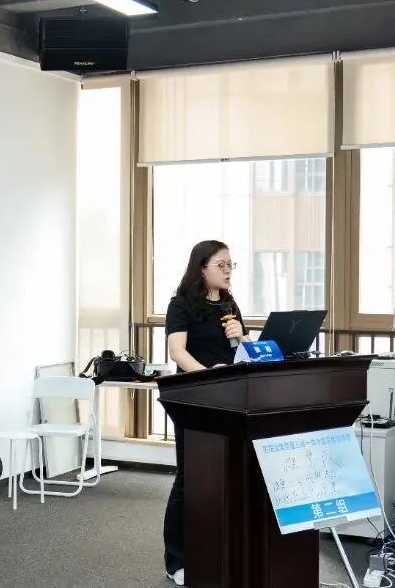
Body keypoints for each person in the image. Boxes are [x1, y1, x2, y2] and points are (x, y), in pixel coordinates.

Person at [161, 239, 250, 586]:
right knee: (190, 478)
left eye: (231, 265)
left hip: (229, 398)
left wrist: (243, 337)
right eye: (221, 265)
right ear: (201, 269)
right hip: (194, 398)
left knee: (226, 477)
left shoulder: (229, 304)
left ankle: (217, 550)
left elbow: (244, 353)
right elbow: (177, 352)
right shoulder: (181, 304)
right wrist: (208, 377)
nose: (228, 271)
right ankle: (176, 560)